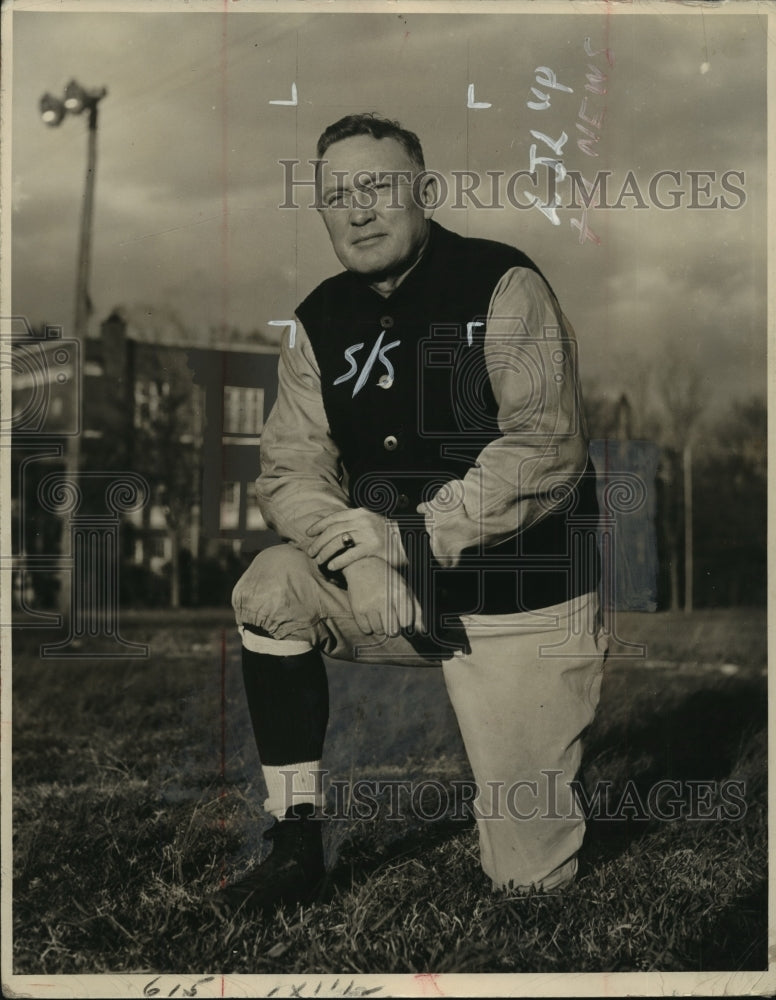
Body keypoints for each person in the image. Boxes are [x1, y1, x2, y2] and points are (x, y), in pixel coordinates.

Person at [217, 113, 607, 915]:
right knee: (272, 586)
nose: (357, 210)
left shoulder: (504, 283)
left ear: (424, 192)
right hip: (393, 589)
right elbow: (291, 468)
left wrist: (404, 539)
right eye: (336, 196)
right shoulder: (318, 320)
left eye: (377, 186)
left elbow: (544, 449)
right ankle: (295, 843)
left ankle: (524, 780)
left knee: (530, 881)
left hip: (521, 601)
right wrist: (357, 557)